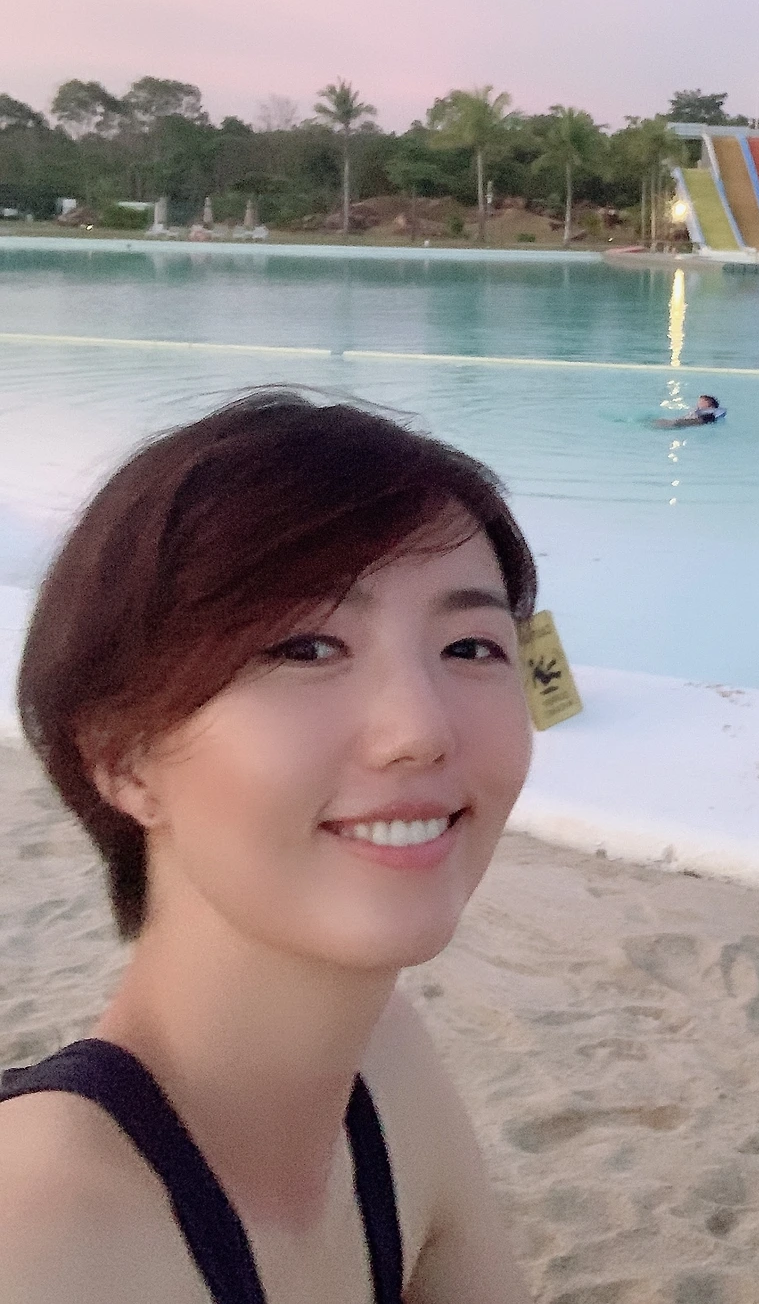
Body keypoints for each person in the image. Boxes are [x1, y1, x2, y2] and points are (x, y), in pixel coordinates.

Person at [0, 391, 536, 1303]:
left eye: (469, 646)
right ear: (123, 758)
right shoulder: (41, 1237)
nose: (419, 731)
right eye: (306, 648)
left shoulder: (384, 1072)